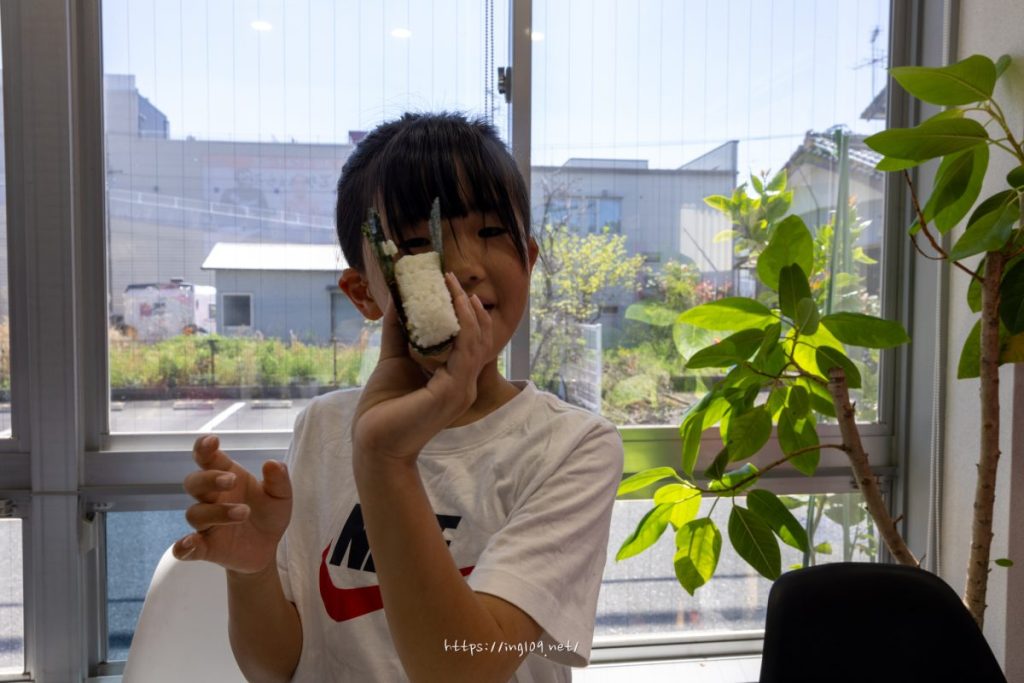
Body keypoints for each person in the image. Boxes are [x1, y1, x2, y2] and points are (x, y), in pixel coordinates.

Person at [174, 112, 624, 682]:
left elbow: (466, 671)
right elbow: (275, 668)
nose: (465, 267)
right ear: (363, 292)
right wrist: (252, 570)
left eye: (491, 232)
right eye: (416, 245)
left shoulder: (570, 447)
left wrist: (384, 459)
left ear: (529, 261)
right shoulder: (325, 427)